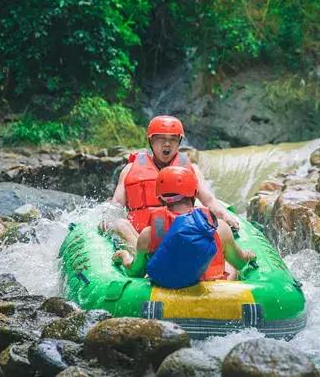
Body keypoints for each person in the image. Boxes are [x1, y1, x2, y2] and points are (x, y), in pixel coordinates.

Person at [102, 115, 239, 249]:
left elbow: (209, 200)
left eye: (173, 139)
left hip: (181, 235)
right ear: (151, 140)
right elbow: (116, 206)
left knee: (218, 225)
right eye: (161, 138)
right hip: (140, 238)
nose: (167, 144)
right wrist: (108, 219)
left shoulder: (191, 170)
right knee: (119, 223)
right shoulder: (130, 170)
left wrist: (226, 216)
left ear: (179, 142)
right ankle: (140, 258)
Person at [112, 166, 255, 287]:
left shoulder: (148, 234)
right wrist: (250, 256)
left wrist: (124, 257)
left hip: (165, 298)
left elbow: (135, 273)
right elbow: (241, 263)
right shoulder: (219, 228)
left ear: (160, 197)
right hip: (211, 294)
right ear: (194, 194)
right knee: (230, 265)